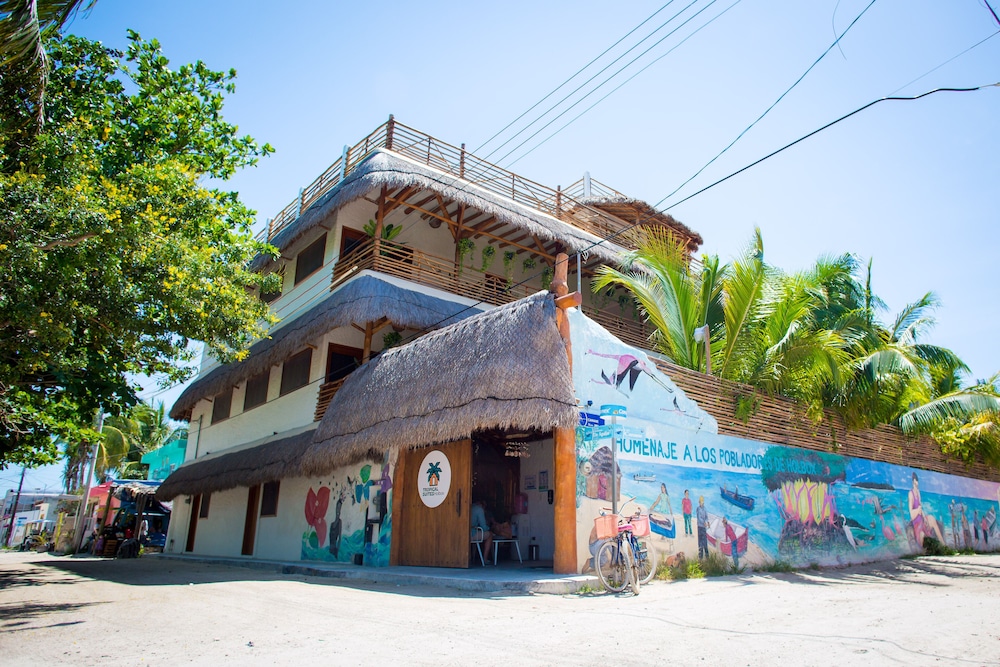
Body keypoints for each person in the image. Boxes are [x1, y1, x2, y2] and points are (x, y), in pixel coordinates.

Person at [908, 473, 945, 546]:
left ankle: (943, 544)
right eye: (916, 482)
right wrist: (918, 509)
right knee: (921, 535)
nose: (917, 484)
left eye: (917, 482)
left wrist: (924, 518)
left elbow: (921, 508)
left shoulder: (918, 493)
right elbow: (911, 515)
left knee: (931, 519)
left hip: (922, 520)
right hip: (916, 523)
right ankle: (924, 551)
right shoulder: (910, 494)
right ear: (913, 482)